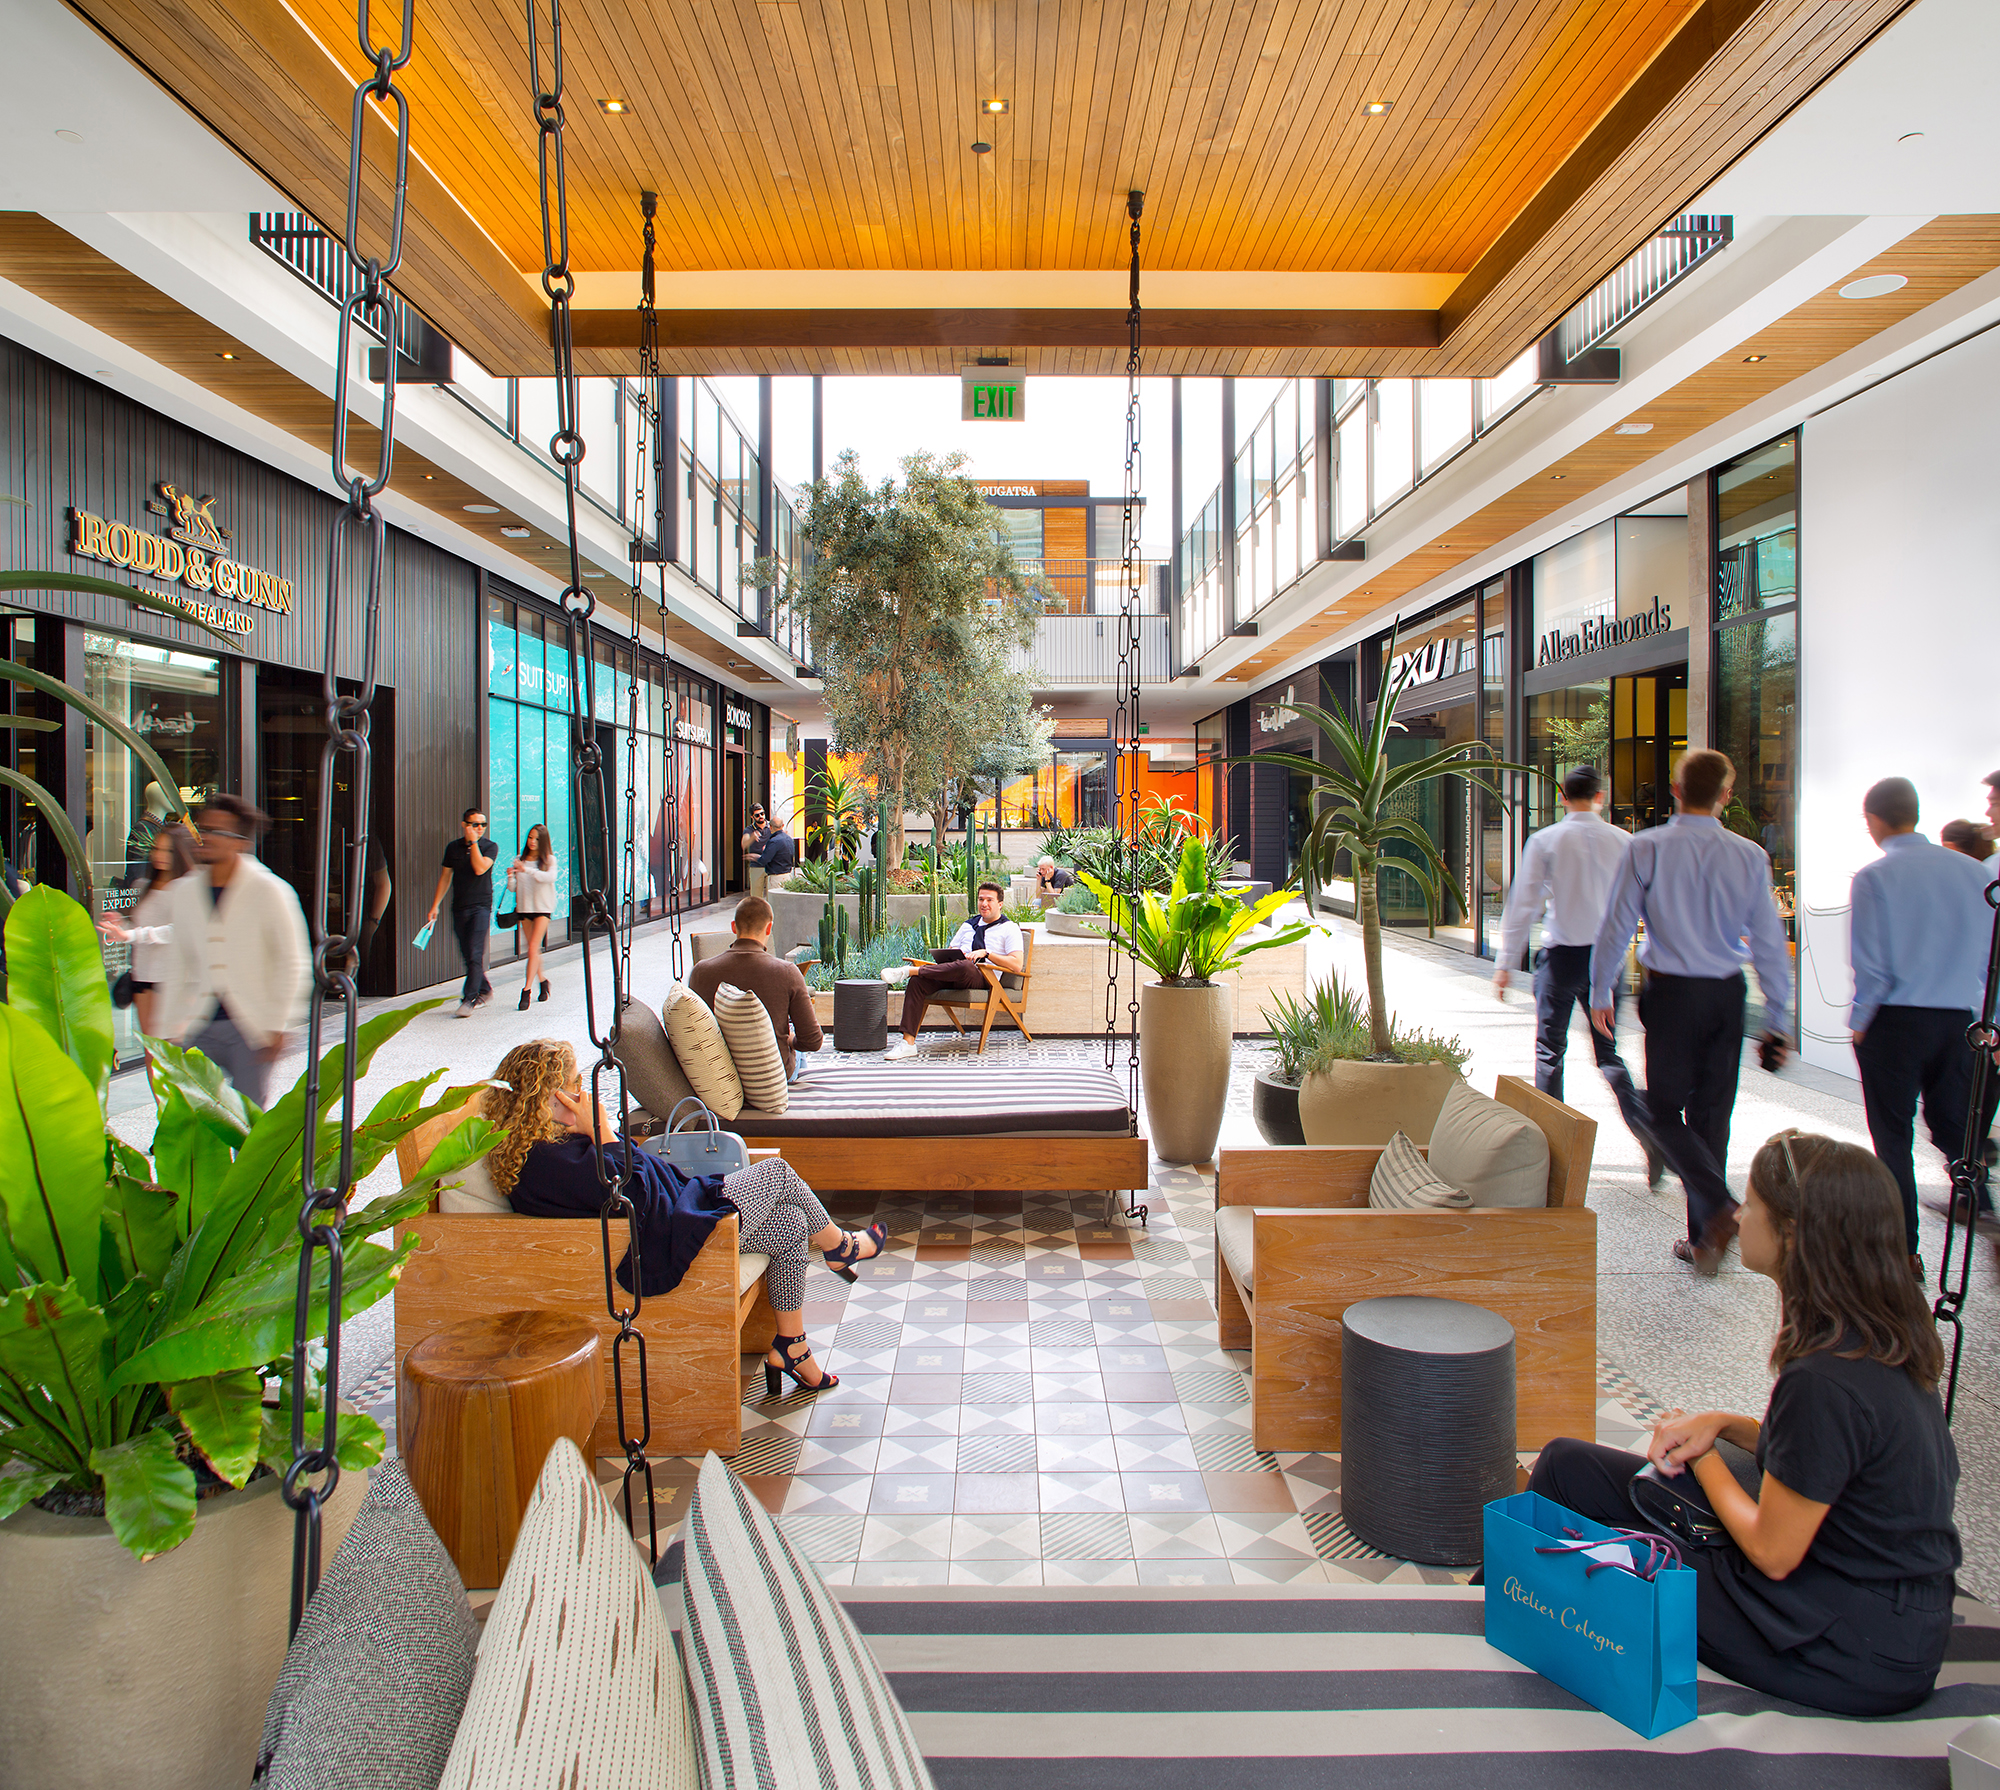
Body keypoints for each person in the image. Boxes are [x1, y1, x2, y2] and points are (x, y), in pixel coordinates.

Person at [1525, 1132, 1959, 1717]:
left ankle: (1509, 1650)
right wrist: (1724, 1425)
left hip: (1846, 1644)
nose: (1737, 1214)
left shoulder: (1825, 1378)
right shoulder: (1883, 1338)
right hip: (1867, 1611)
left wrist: (1703, 1460)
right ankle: (1503, 1608)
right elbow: (1831, 1461)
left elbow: (1771, 1550)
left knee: (1622, 1561)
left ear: (1794, 1234)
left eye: (1752, 1204)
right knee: (1566, 1465)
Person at [483, 1040, 886, 1395]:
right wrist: (603, 1132)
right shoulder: (546, 1164)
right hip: (669, 1235)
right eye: (574, 1085)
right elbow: (633, 1194)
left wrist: (598, 1134)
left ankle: (791, 1347)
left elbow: (632, 1172)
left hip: (678, 1210)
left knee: (791, 1225)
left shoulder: (554, 1145)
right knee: (778, 1175)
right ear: (548, 1097)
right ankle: (841, 1248)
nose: (583, 1094)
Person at [1590, 749, 1793, 1274]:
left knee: (1661, 1111)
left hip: (1672, 995)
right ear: (1726, 796)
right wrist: (1779, 1014)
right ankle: (1705, 1238)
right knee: (1712, 1115)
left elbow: (1617, 925)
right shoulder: (1749, 855)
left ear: (1675, 791)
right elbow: (1769, 941)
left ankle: (1719, 1210)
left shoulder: (1648, 847)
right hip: (1727, 995)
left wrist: (1600, 990)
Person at [1846, 777, 1995, 1260]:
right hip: (1958, 1023)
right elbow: (1988, 959)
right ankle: (1979, 1205)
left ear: (1873, 820)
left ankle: (1904, 1252)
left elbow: (1871, 965)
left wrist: (1861, 1022)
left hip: (1895, 1022)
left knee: (1893, 1138)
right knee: (1953, 1128)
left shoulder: (1874, 877)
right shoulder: (1975, 874)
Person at [1494, 764, 1663, 1183]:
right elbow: (1645, 905)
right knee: (1609, 1053)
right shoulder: (1626, 842)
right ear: (1600, 797)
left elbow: (1523, 905)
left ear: (1563, 798)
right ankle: (1649, 1132)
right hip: (1607, 961)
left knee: (1550, 1052)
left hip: (1561, 957)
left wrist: (1504, 964)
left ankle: (1552, 1156)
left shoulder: (1547, 840)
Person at [151, 794, 310, 1107]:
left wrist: (280, 1024)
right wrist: (167, 1028)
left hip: (251, 1026)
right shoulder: (184, 892)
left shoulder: (270, 891)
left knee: (246, 1118)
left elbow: (293, 962)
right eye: (203, 829)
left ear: (240, 842)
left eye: (217, 832)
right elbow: (177, 964)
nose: (206, 837)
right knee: (193, 1118)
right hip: (198, 1023)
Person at [687, 893, 823, 1077]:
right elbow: (812, 1041)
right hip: (772, 1075)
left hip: (720, 1075)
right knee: (798, 1049)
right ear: (769, 929)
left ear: (734, 927)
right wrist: (790, 1040)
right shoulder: (787, 971)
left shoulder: (700, 972)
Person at [885, 881, 1022, 1061]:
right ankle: (908, 1043)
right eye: (981, 899)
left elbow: (1016, 964)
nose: (984, 904)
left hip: (983, 977)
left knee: (965, 966)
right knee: (918, 982)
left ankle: (910, 971)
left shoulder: (1009, 928)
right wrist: (954, 955)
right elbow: (952, 949)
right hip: (955, 971)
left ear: (1000, 904)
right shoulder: (968, 925)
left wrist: (987, 953)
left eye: (989, 900)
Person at [97, 820, 197, 1037]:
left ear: (180, 852)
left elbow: (177, 930)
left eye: (167, 850)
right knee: (151, 1048)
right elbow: (143, 929)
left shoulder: (188, 887)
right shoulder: (144, 886)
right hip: (144, 975)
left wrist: (131, 933)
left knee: (171, 1049)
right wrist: (122, 926)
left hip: (175, 978)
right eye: (156, 849)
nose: (159, 855)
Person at [424, 807, 498, 1017]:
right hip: (459, 906)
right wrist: (435, 905)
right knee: (467, 955)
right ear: (465, 825)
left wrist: (474, 842)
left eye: (483, 825)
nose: (480, 828)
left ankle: (469, 998)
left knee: (476, 953)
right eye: (475, 825)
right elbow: (446, 877)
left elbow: (480, 868)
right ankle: (485, 989)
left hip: (481, 907)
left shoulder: (489, 846)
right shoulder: (453, 848)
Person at [506, 823, 559, 1010]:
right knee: (533, 950)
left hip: (543, 909)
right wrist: (511, 876)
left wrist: (526, 870)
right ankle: (543, 982)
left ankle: (526, 990)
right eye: (530, 837)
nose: (532, 841)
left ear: (543, 841)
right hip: (524, 909)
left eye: (537, 838)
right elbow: (513, 888)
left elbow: (548, 878)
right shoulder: (519, 859)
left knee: (533, 948)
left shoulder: (549, 860)